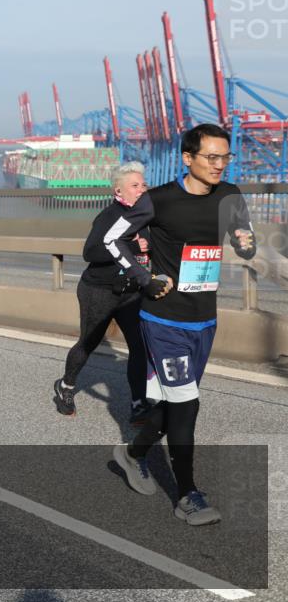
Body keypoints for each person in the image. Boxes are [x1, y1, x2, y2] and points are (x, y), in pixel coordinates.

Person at [110, 124, 256, 526]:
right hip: (163, 319)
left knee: (177, 403)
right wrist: (145, 278)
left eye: (225, 157)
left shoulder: (230, 195)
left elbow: (245, 238)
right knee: (188, 405)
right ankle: (188, 495)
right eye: (210, 157)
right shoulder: (159, 201)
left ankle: (133, 454)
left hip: (204, 319)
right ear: (187, 158)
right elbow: (112, 240)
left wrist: (246, 243)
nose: (219, 165)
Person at [53, 162, 162, 424]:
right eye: (134, 186)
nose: (141, 190)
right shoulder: (109, 217)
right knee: (88, 342)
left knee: (139, 347)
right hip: (98, 290)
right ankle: (66, 387)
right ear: (119, 191)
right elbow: (90, 253)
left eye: (143, 184)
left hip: (131, 293)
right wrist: (133, 249)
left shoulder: (145, 217)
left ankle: (138, 404)